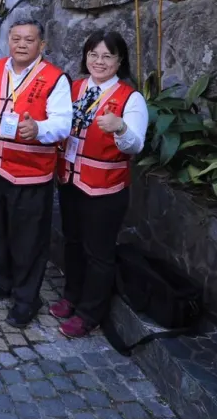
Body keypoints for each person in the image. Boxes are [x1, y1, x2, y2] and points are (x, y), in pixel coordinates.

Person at [0, 18, 72, 327]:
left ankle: (27, 298)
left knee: (28, 240)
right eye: (16, 39)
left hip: (30, 174)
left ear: (42, 45)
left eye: (29, 40)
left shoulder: (54, 78)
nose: (21, 45)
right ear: (8, 41)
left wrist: (38, 128)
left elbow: (63, 124)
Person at [53, 31, 147, 339]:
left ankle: (89, 313)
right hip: (70, 180)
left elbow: (136, 145)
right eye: (93, 54)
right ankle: (72, 295)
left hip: (105, 189)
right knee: (72, 242)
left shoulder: (130, 98)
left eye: (108, 56)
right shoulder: (75, 88)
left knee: (99, 252)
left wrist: (120, 127)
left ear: (120, 61)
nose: (99, 61)